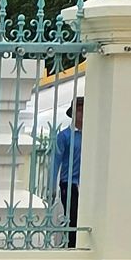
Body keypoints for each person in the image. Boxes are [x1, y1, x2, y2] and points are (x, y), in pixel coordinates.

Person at [50, 98, 84, 246]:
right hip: (69, 183)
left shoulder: (91, 136)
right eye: (79, 110)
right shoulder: (64, 136)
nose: (82, 114)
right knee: (72, 217)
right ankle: (71, 246)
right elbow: (56, 161)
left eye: (84, 110)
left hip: (87, 184)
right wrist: (52, 186)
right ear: (73, 113)